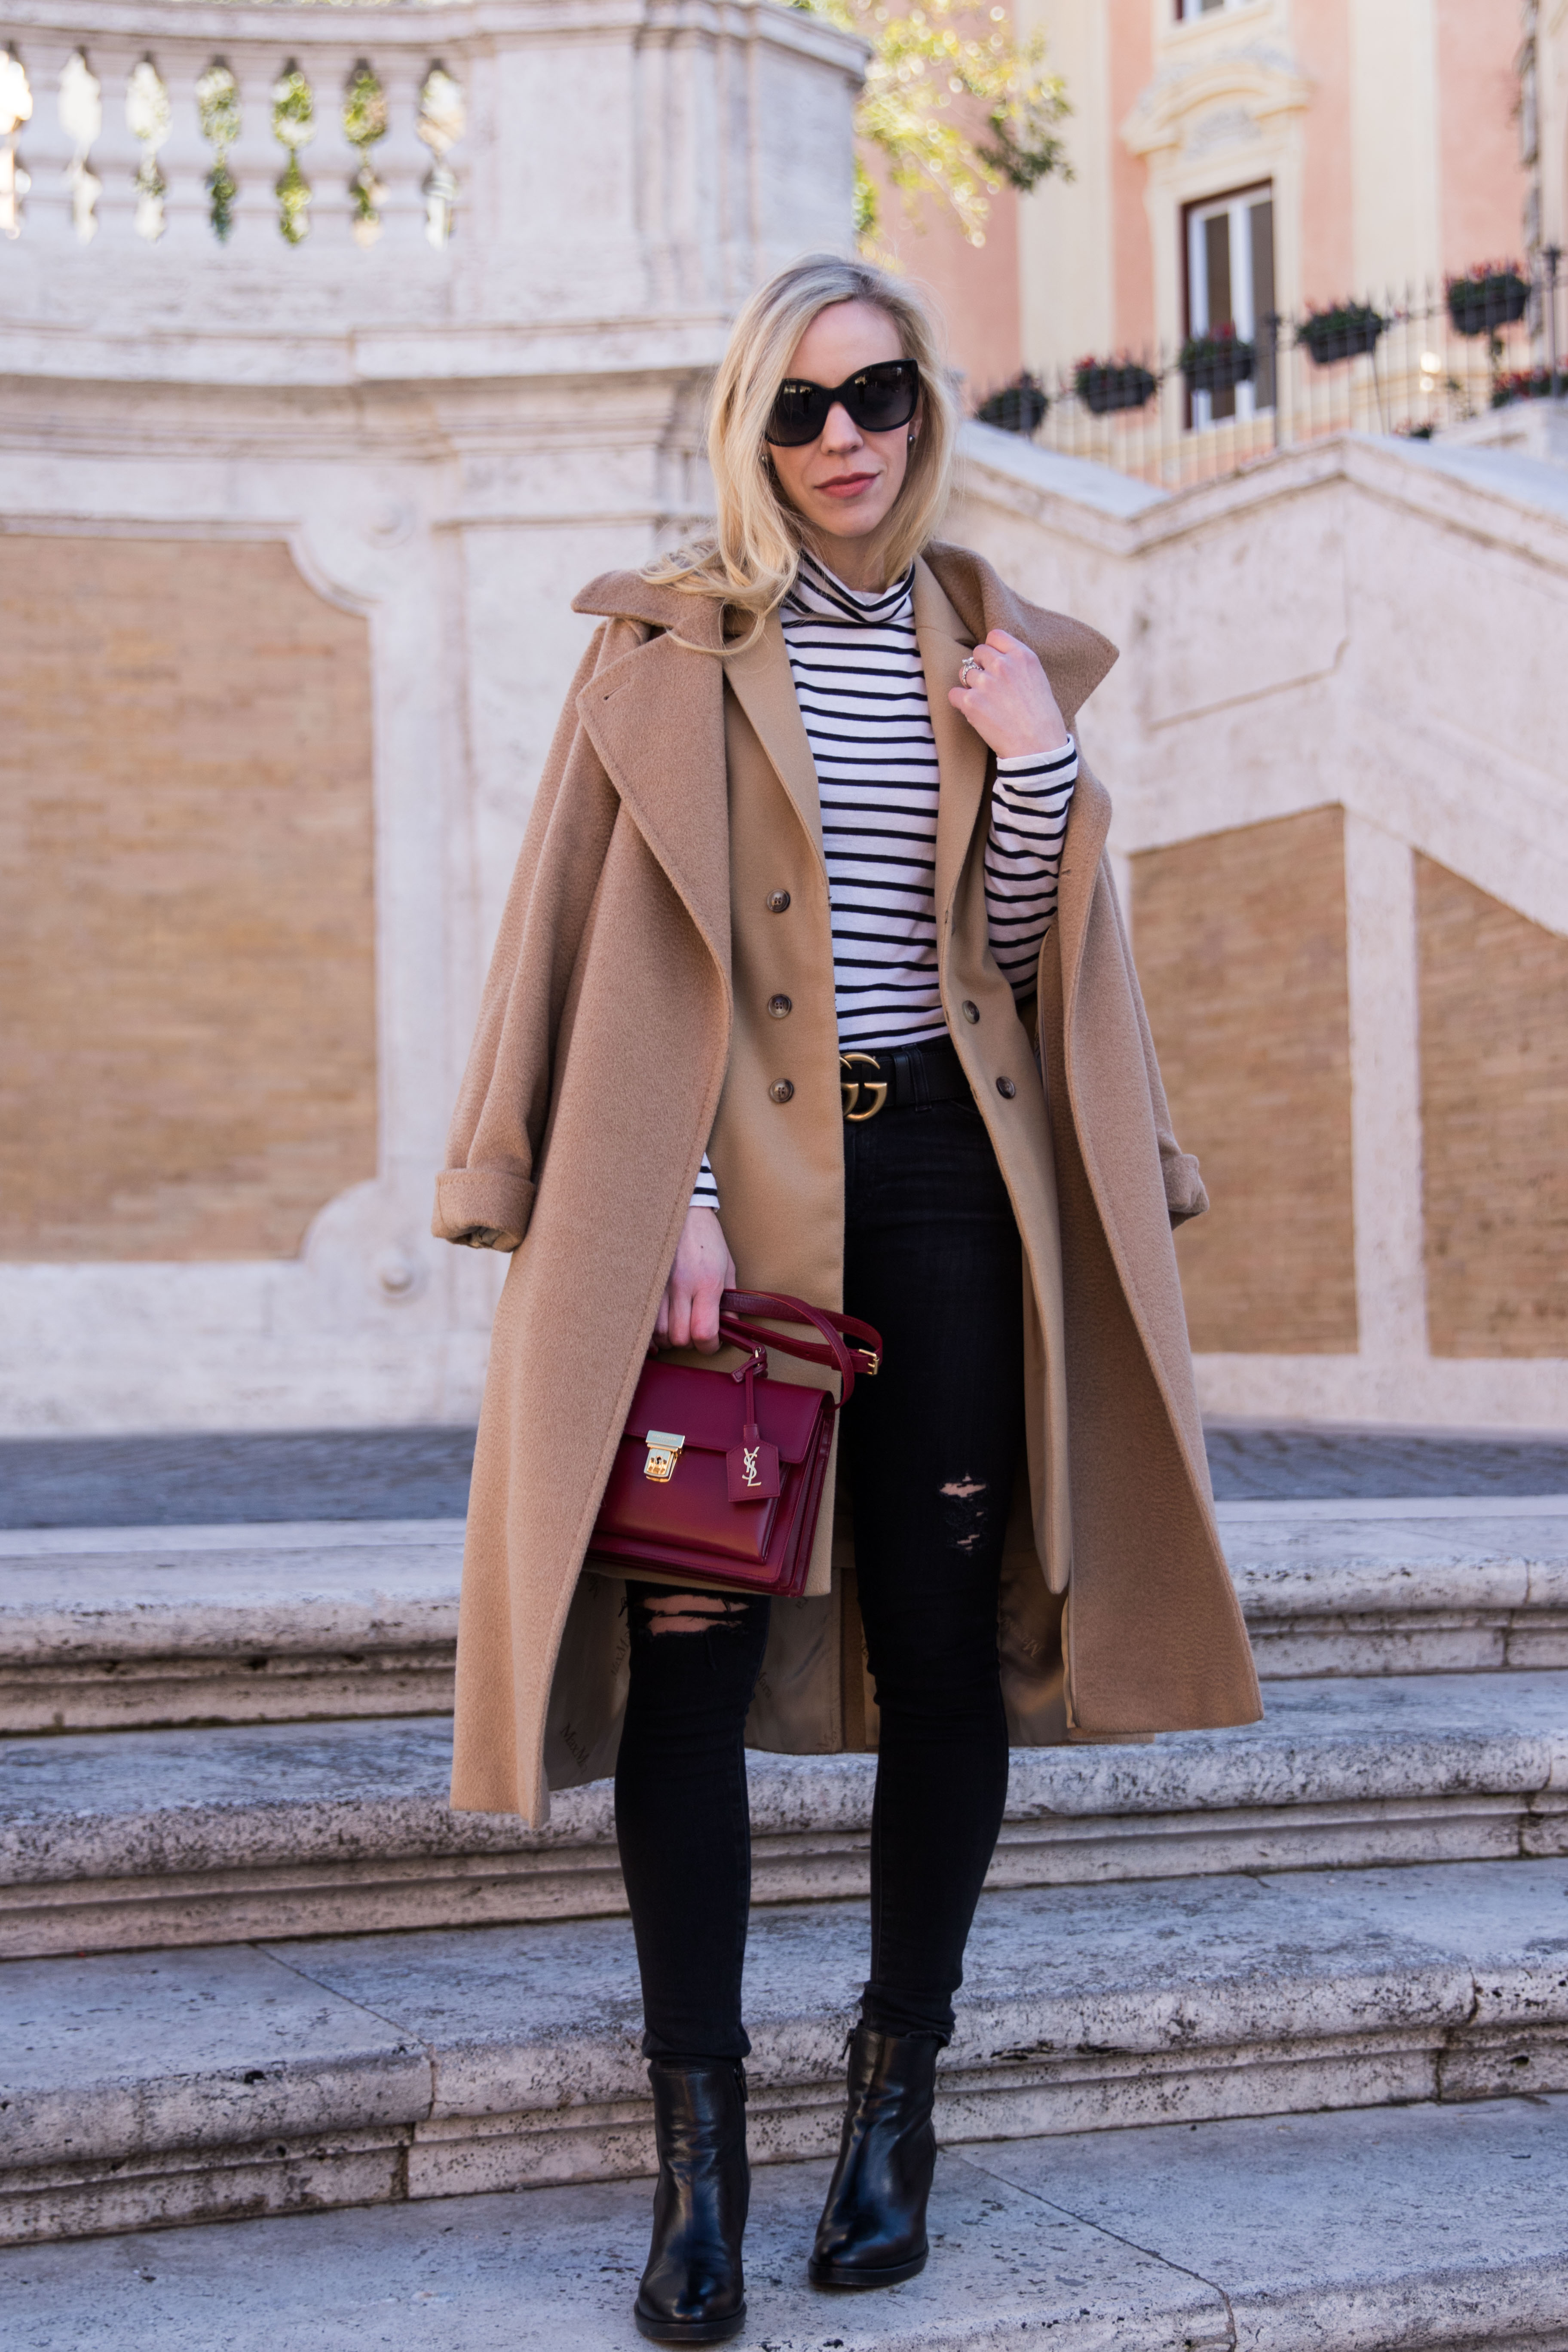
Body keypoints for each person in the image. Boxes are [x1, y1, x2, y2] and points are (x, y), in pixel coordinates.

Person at [432, 253, 1261, 2346]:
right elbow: (587, 945)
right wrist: (669, 1197)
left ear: (925, 403)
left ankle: (897, 2100)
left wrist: (1044, 771)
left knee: (945, 1636)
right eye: (800, 409)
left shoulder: (997, 649)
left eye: (876, 393)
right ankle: (696, 2162)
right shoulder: (672, 649)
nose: (843, 440)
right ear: (752, 427)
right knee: (694, 1652)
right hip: (729, 1210)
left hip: (949, 1192)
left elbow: (1018, 958)